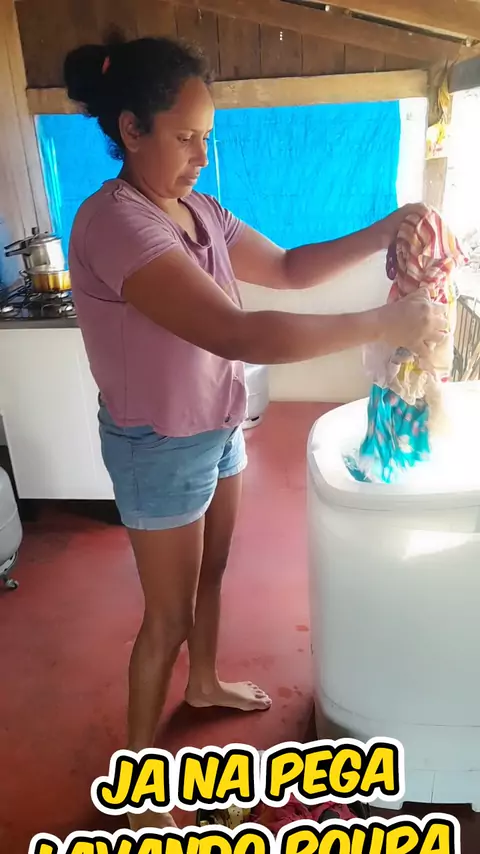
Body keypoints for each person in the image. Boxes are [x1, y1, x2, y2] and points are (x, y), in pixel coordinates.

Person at [64, 35, 447, 829]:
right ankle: (137, 781)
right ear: (131, 128)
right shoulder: (116, 225)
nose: (201, 156)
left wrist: (387, 229)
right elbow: (239, 333)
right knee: (165, 617)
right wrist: (385, 323)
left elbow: (293, 268)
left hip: (217, 420)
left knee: (212, 577)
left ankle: (204, 683)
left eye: (207, 136)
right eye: (185, 137)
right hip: (157, 444)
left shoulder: (200, 210)